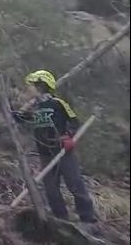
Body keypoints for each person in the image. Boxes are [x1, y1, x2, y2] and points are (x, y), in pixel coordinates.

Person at [14, 69, 97, 223]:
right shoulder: (33, 107)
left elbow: (74, 121)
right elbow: (25, 120)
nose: (28, 88)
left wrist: (69, 136)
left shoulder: (58, 103)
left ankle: (87, 216)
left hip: (63, 151)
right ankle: (61, 218)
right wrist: (17, 116)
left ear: (41, 85)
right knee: (51, 188)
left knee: (74, 183)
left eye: (31, 85)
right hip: (44, 152)